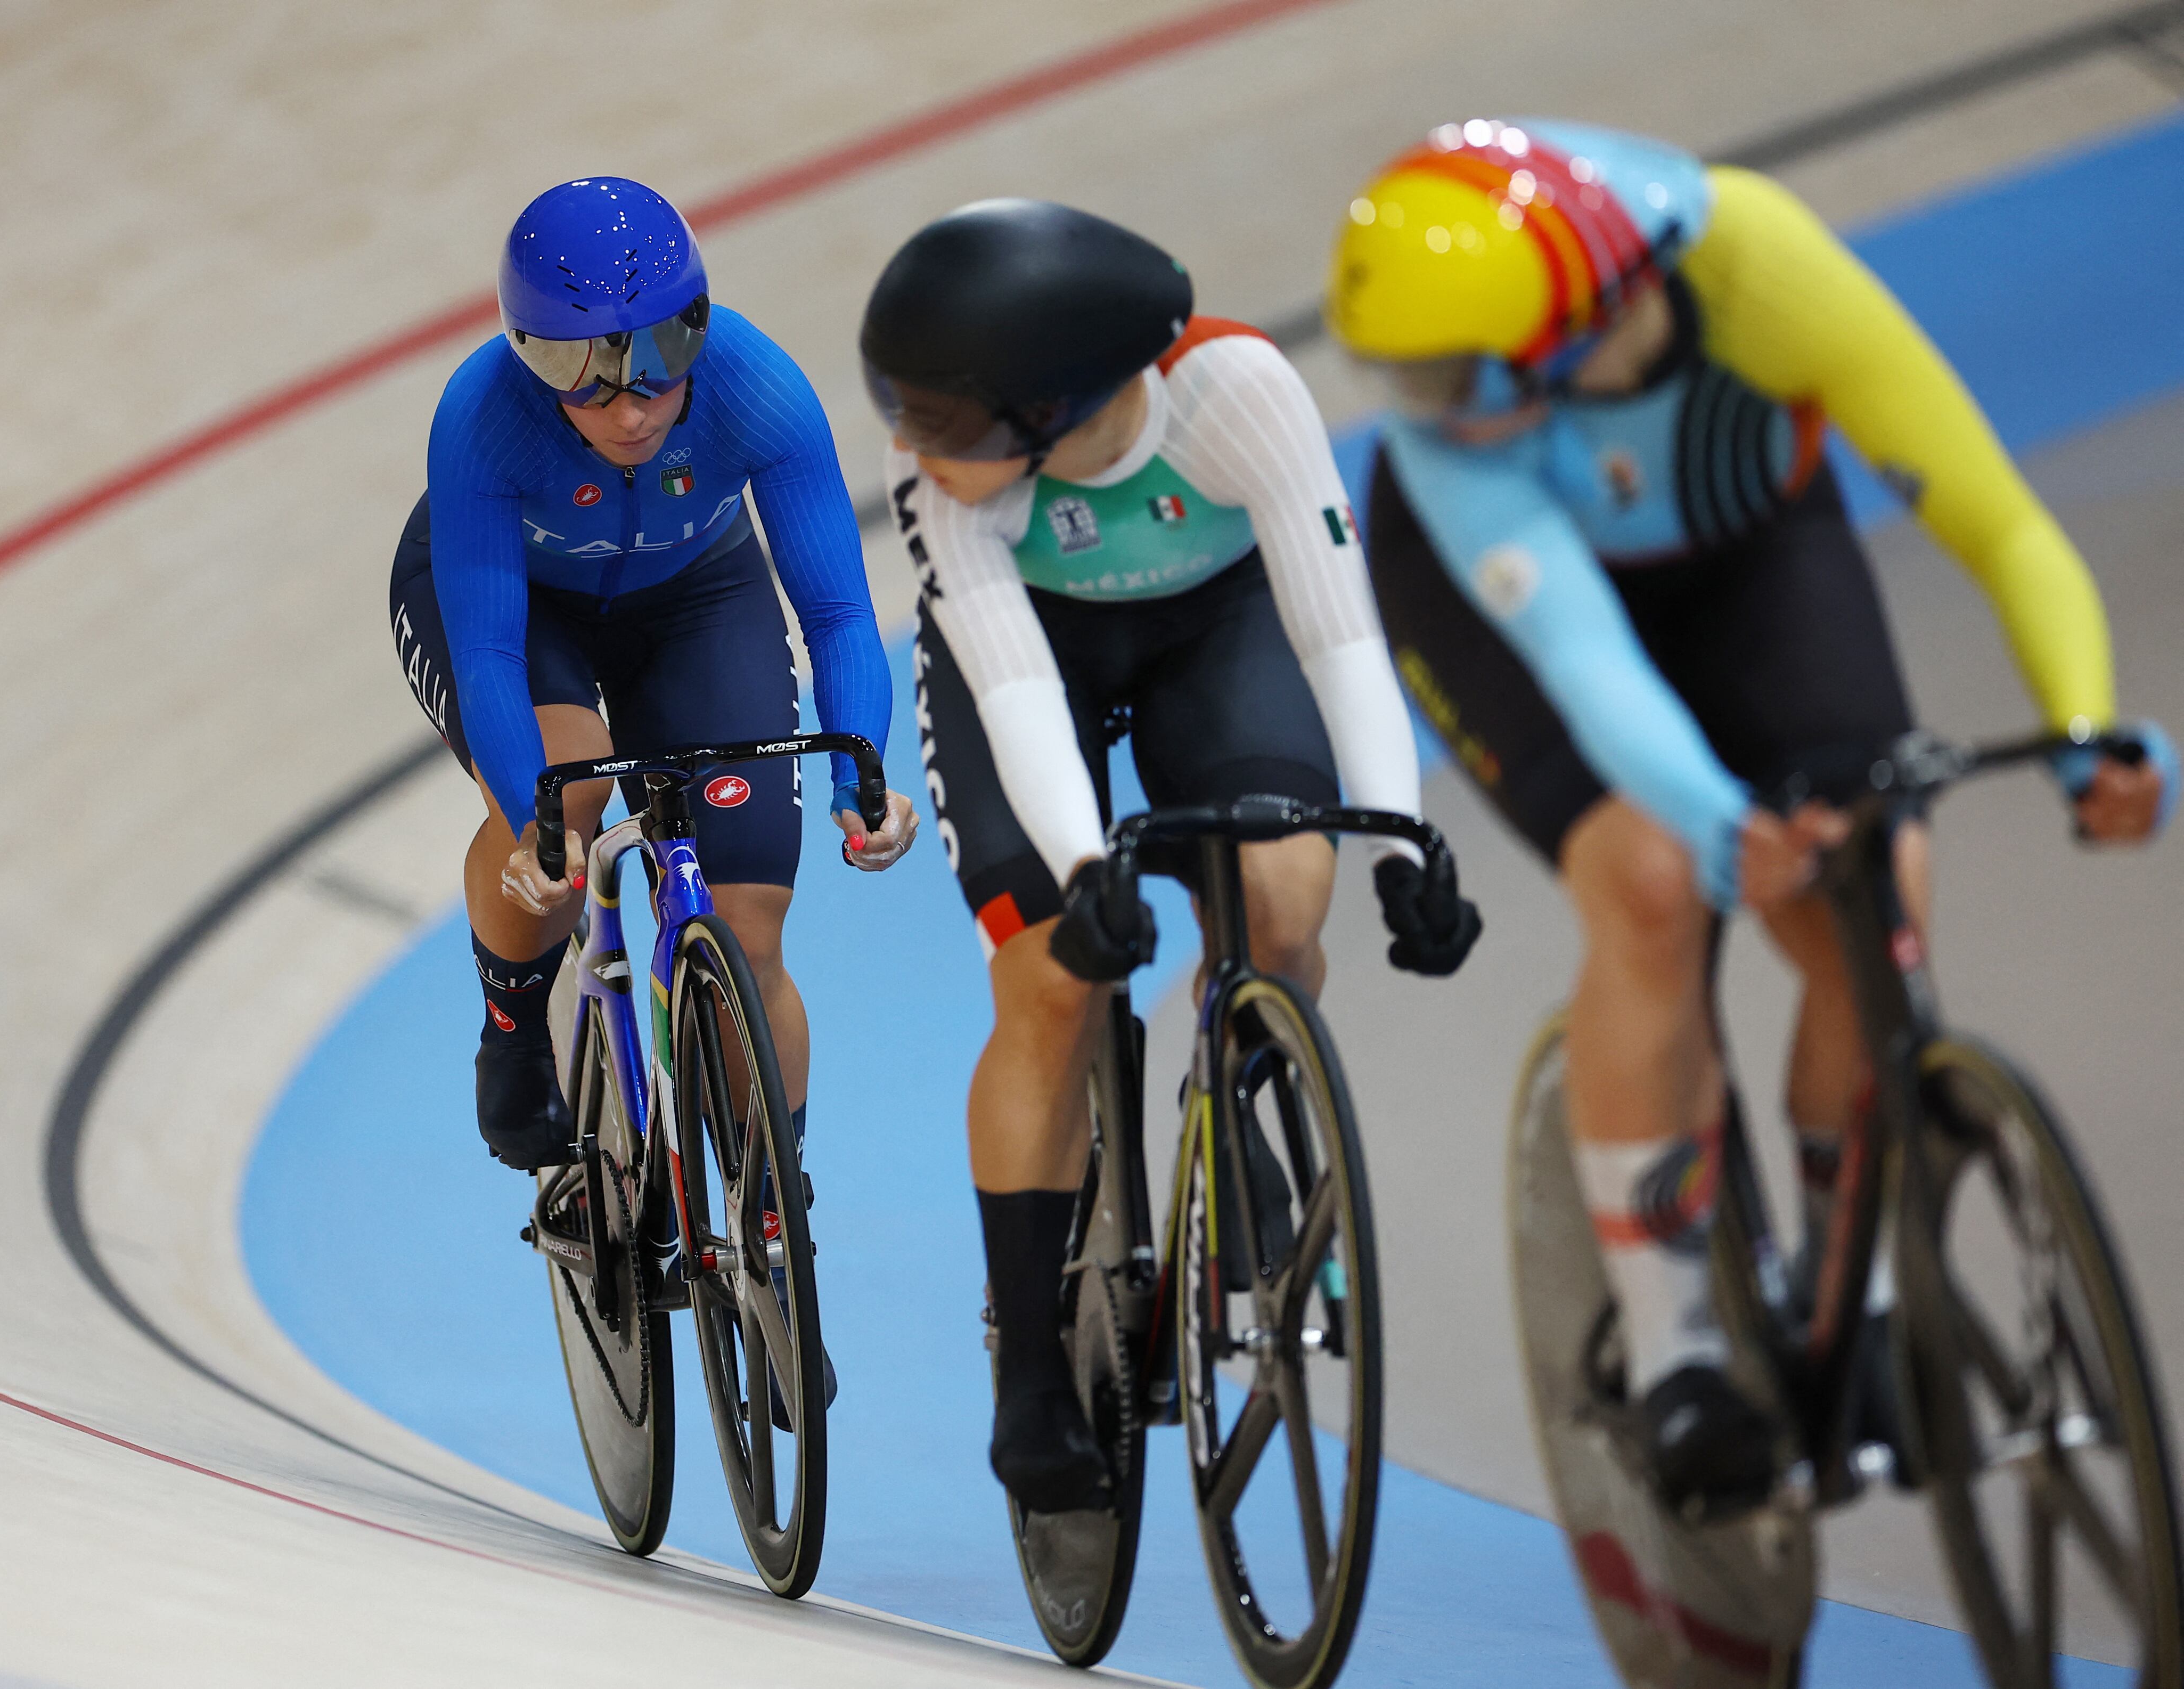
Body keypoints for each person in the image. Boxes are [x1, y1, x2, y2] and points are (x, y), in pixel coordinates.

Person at [1323, 118, 2175, 1512]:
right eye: (1396, 378)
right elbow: (1592, 665)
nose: (1419, 405)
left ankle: (1871, 1290)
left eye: (1447, 372)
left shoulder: (1761, 265)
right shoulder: (1447, 452)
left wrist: (2089, 729)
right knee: (1652, 882)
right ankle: (1679, 1357)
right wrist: (1718, 820)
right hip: (1506, 603)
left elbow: (1999, 520)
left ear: (1582, 312)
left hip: (1744, 547)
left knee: (1875, 877)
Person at [861, 199, 1481, 1513]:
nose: (907, 444)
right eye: (898, 408)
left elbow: (1339, 634)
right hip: (1029, 659)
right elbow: (1017, 689)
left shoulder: (1235, 389)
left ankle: (1234, 1073)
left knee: (1284, 883)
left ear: (1057, 406)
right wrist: (1089, 872)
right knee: (1049, 981)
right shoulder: (953, 497)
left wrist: (1398, 836)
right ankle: (1030, 1367)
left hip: (1219, 628)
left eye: (939, 416)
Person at [394, 175, 920, 1174]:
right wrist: (532, 822)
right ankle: (512, 1027)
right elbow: (495, 651)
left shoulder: (757, 385)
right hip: (523, 608)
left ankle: (771, 1224)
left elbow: (843, 612)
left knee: (750, 933)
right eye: (579, 373)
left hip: (694, 598)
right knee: (571, 792)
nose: (628, 408)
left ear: (700, 325)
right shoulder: (482, 417)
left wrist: (863, 770)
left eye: (660, 359)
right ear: (525, 357)